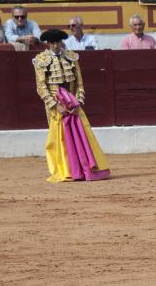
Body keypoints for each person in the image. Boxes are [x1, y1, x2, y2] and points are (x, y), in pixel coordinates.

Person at [33, 28, 110, 182]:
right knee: (59, 138)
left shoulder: (71, 57)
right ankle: (65, 170)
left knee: (81, 135)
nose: (56, 45)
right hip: (56, 104)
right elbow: (41, 87)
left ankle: (82, 169)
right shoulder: (41, 60)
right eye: (52, 42)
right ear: (48, 43)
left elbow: (80, 84)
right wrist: (55, 105)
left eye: (58, 42)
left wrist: (77, 102)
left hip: (73, 103)